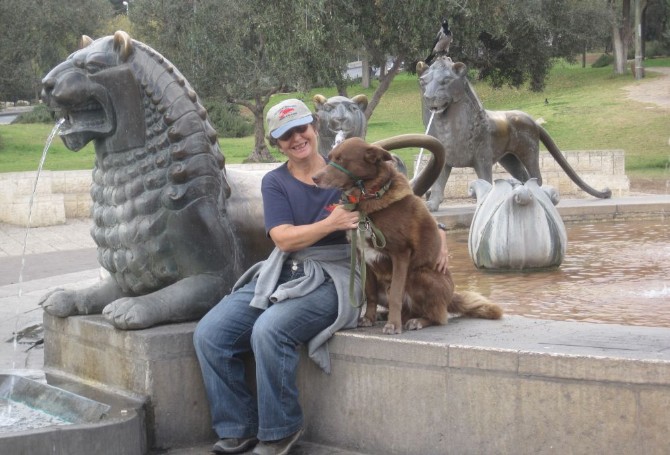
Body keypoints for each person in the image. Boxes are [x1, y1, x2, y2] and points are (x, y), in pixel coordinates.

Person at [193, 99, 364, 455]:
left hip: (335, 273)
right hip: (283, 268)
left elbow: (403, 204)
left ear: (315, 127)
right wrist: (331, 223)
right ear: (276, 143)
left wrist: (438, 238)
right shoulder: (275, 181)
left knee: (270, 329)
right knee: (211, 334)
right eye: (285, 135)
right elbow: (283, 237)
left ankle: (280, 430)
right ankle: (237, 426)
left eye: (301, 128)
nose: (297, 138)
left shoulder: (347, 167)